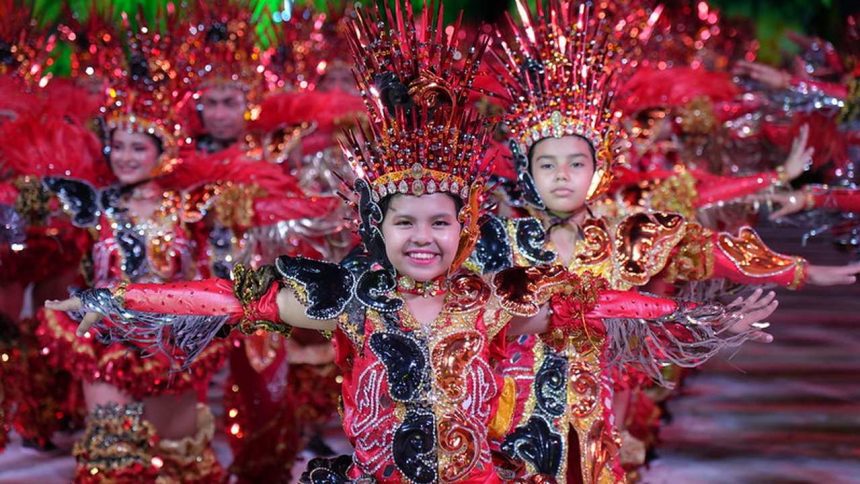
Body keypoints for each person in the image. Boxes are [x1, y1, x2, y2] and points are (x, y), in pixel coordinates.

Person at [46, 3, 777, 482]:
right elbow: (229, 302)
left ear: (465, 230)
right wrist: (121, 297)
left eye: (439, 222)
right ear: (379, 228)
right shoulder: (351, 303)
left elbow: (602, 306)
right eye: (405, 222)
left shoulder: (494, 301)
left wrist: (696, 321)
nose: (422, 238)